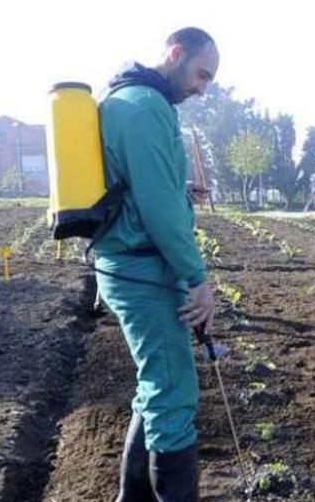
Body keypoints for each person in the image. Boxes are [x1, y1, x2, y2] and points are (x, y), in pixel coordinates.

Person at [92, 27, 219, 501]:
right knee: (173, 389)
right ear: (175, 53)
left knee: (156, 384)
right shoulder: (145, 107)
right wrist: (197, 279)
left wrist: (177, 192)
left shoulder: (129, 99)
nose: (203, 88)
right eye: (202, 74)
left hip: (129, 262)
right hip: (142, 268)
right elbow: (159, 208)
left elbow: (144, 187)